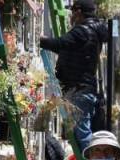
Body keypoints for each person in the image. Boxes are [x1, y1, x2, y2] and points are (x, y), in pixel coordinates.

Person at [39, 0, 108, 152]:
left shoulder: (82, 31)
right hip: (84, 88)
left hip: (79, 89)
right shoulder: (92, 31)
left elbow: (60, 44)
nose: (71, 16)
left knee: (83, 136)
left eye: (72, 12)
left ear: (78, 12)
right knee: (82, 135)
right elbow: (72, 51)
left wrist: (41, 41)